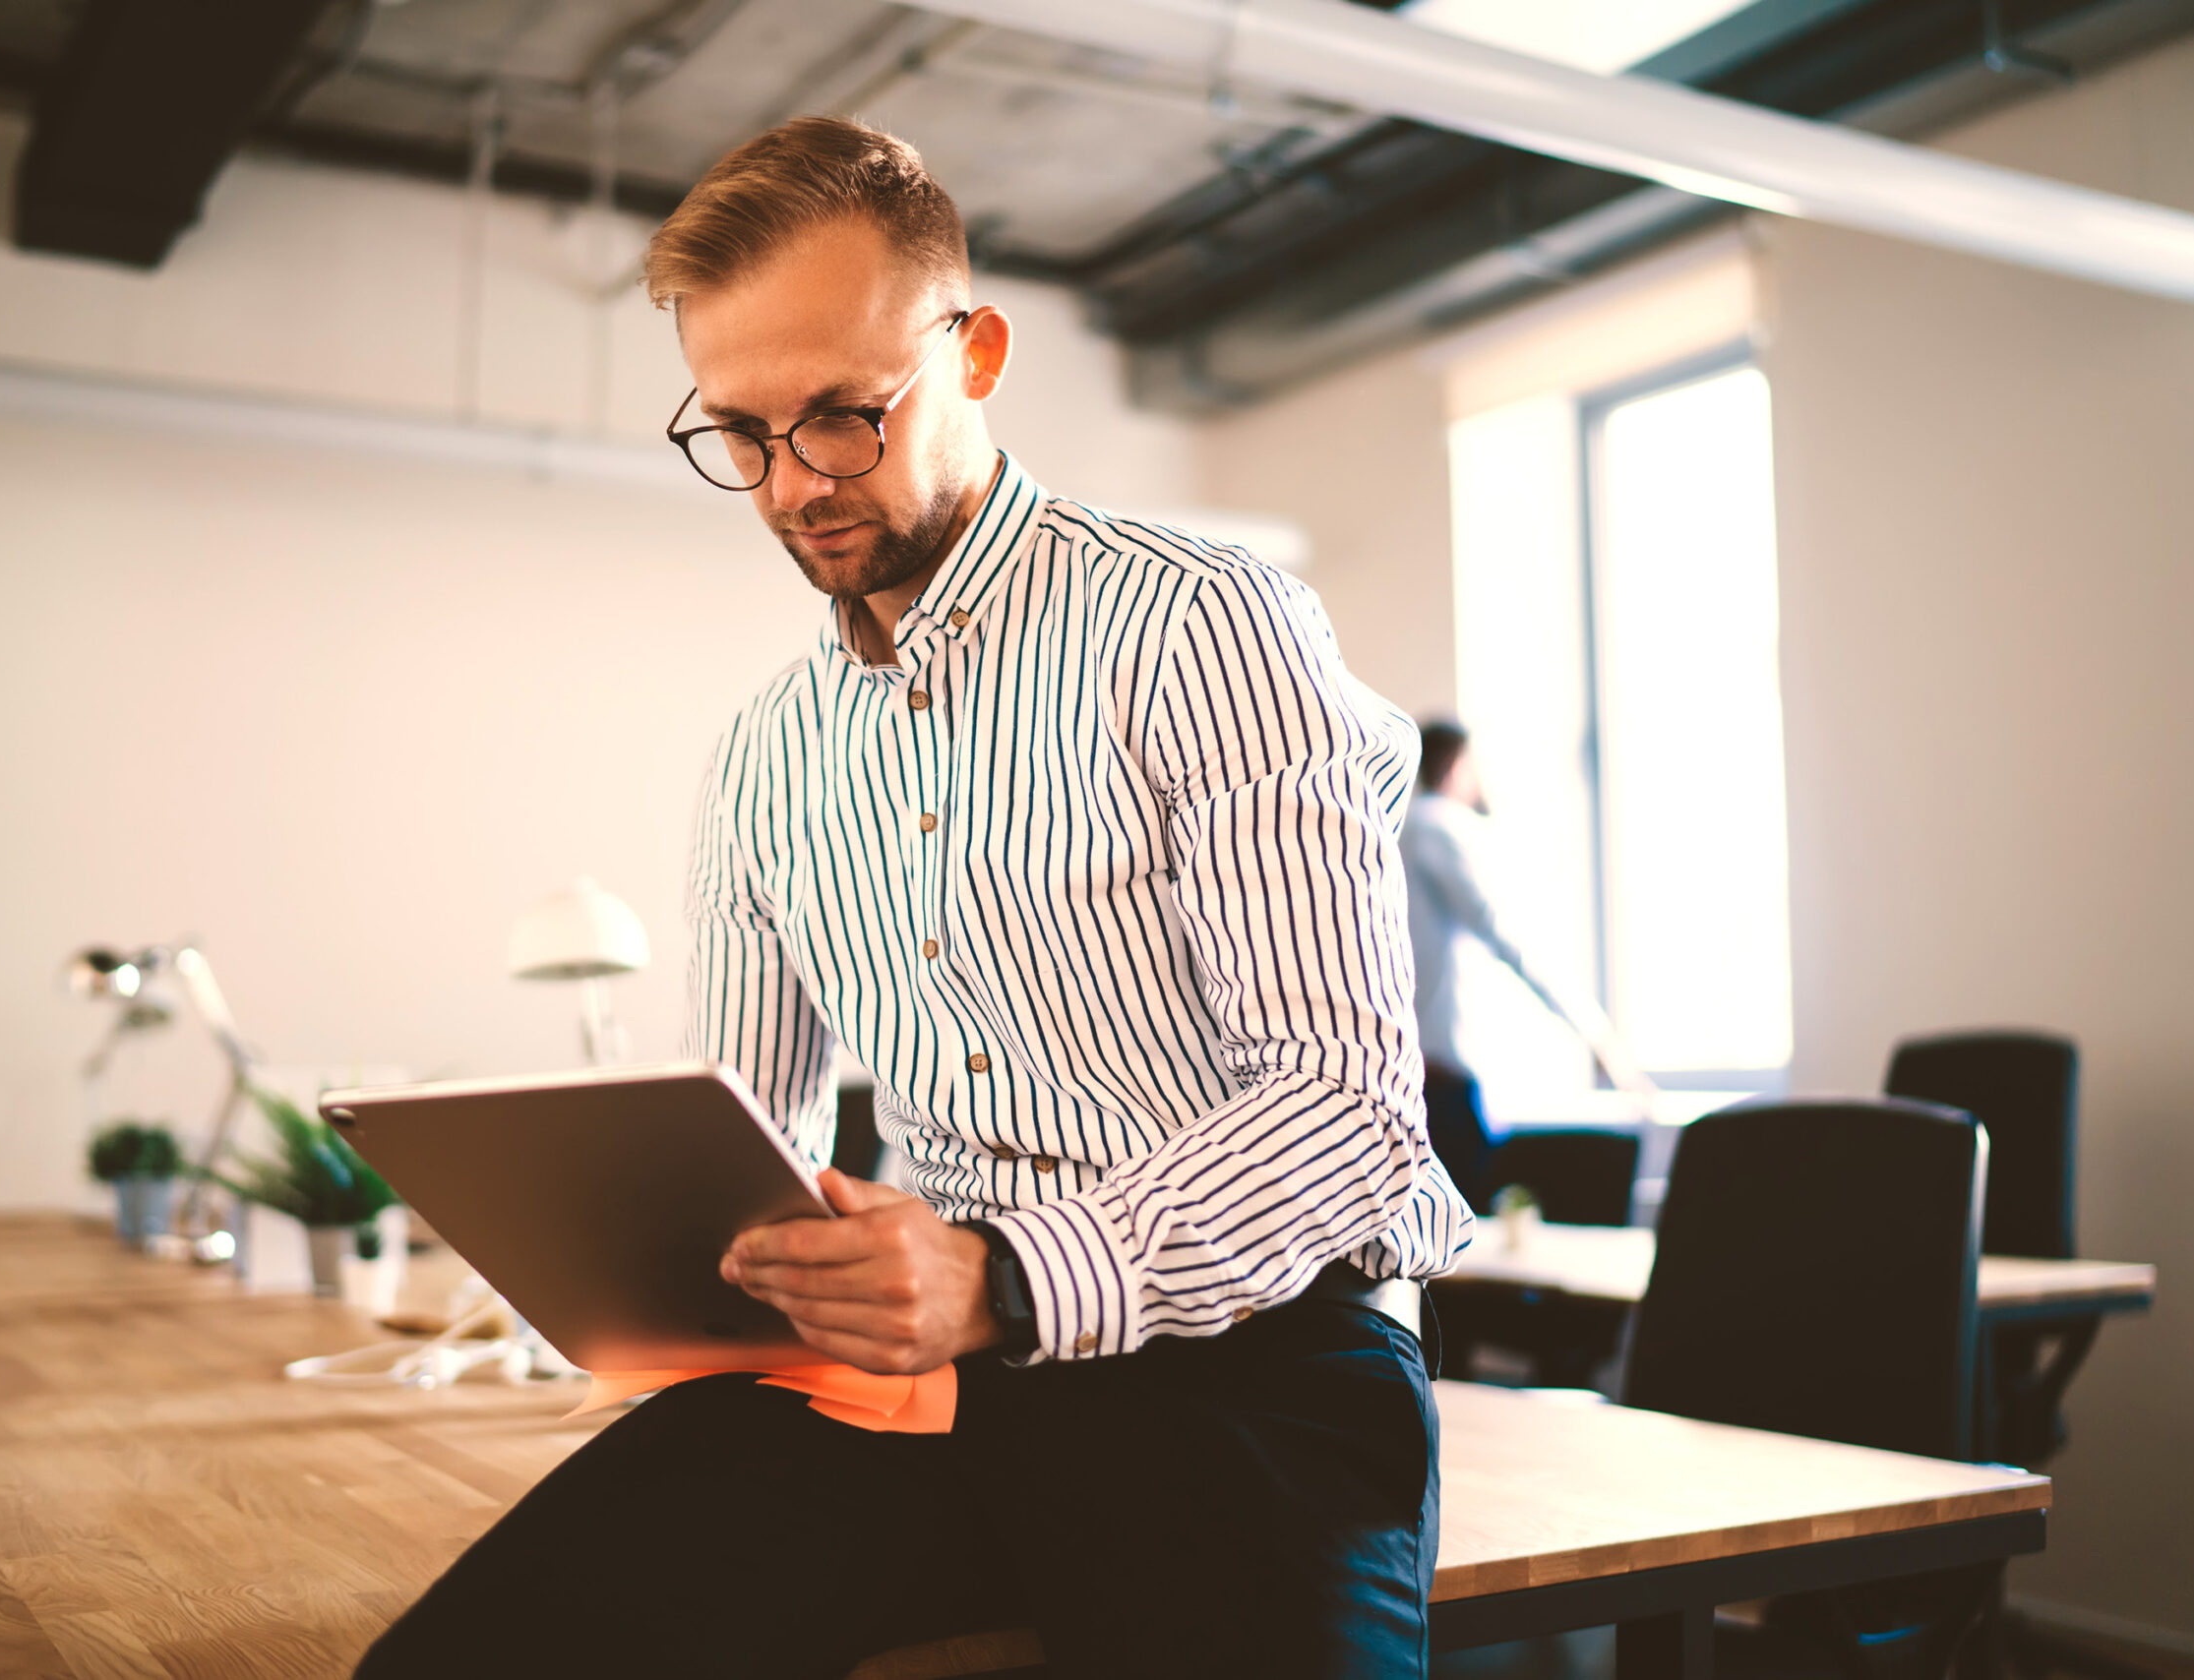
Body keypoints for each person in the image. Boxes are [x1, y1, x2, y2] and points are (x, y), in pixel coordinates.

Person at [357, 118, 1471, 1680]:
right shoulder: (766, 754)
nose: (790, 485)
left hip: (1251, 1367)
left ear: (979, 352)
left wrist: (1001, 1275)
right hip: (923, 1371)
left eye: (842, 418)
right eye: (738, 434)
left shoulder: (1204, 630)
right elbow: (747, 1137)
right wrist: (644, 1256)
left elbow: (1348, 1123)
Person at [1401, 719, 1652, 1210]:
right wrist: (1596, 1033)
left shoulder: (1406, 834)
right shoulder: (1438, 828)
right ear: (1457, 766)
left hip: (1430, 1075)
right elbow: (1507, 936)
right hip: (1444, 1081)